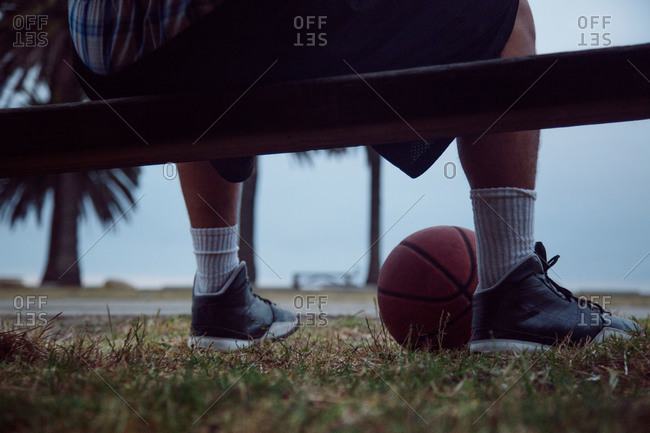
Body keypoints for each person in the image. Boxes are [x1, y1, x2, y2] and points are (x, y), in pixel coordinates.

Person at [68, 0, 641, 353]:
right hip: (220, 33)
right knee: (501, 12)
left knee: (208, 73)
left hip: (104, 52)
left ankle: (218, 294)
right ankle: (514, 291)